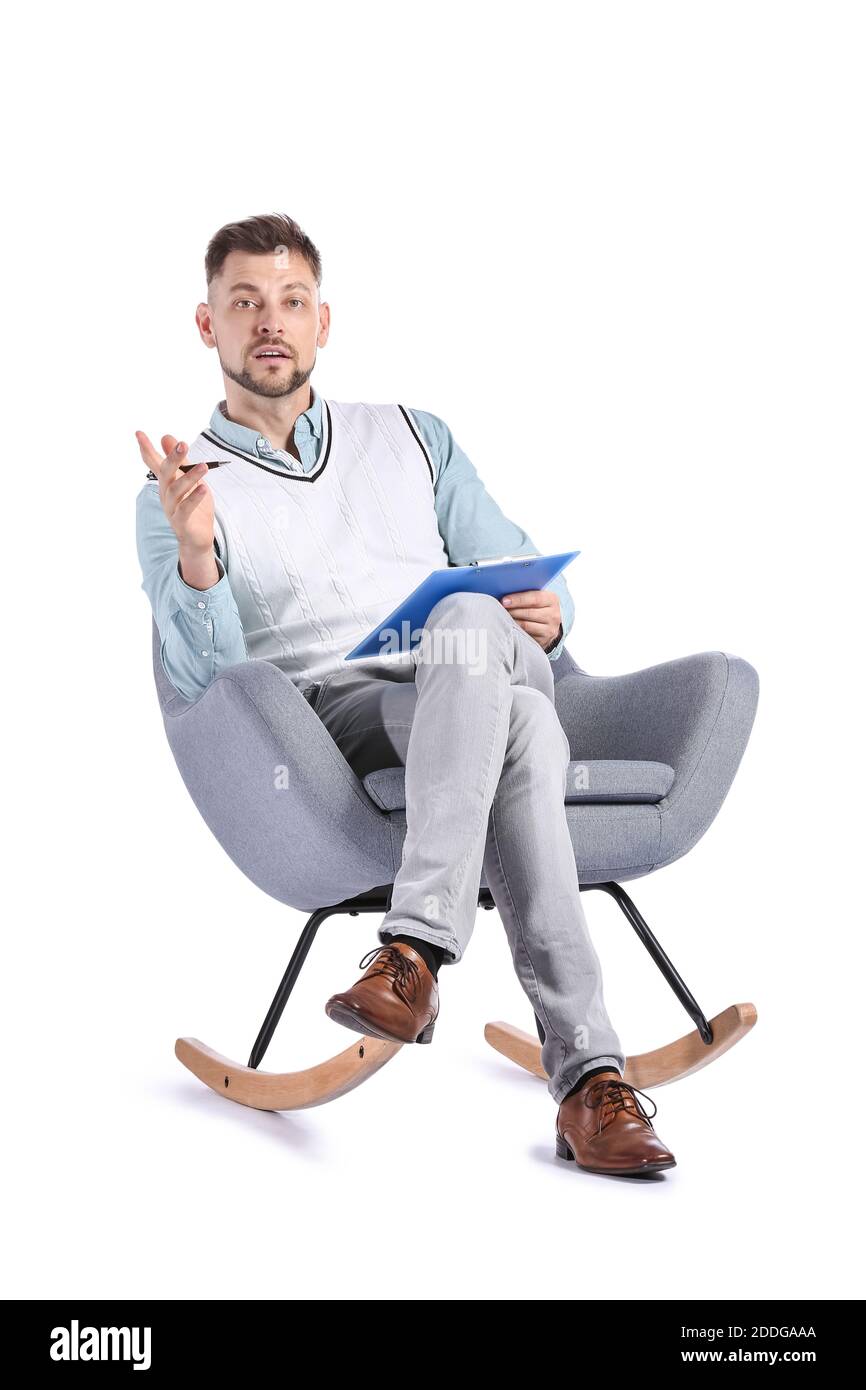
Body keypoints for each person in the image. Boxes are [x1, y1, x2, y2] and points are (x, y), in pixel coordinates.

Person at [135, 212, 676, 1178]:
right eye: (245, 302)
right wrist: (196, 549)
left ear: (323, 321)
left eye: (290, 301)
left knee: (473, 620)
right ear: (206, 325)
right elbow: (204, 683)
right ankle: (592, 1080)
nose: (270, 321)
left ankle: (415, 954)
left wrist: (553, 610)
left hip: (481, 654)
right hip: (347, 718)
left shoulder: (414, 437)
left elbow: (518, 566)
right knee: (517, 728)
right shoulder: (177, 490)